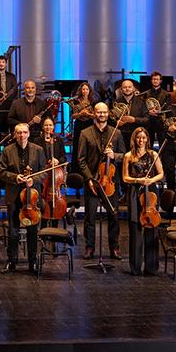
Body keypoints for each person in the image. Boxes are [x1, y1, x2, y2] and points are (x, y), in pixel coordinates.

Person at [77, 101, 126, 261]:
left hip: (111, 182)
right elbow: (81, 160)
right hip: (92, 181)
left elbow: (124, 156)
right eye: (99, 112)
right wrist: (89, 179)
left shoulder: (116, 133)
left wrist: (114, 156)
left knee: (114, 216)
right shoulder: (85, 133)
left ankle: (114, 248)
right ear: (94, 114)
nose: (102, 115)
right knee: (90, 217)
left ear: (108, 113)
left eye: (104, 112)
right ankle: (90, 247)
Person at [0, 123, 46, 273]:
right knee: (13, 231)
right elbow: (1, 171)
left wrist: (34, 180)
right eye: (19, 133)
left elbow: (44, 172)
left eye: (24, 132)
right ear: (14, 134)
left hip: (31, 197)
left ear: (29, 134)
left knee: (32, 231)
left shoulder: (38, 150)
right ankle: (12, 261)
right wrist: (14, 177)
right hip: (14, 195)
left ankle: (33, 262)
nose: (22, 135)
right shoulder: (7, 150)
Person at [122, 126, 163, 276]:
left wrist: (151, 180)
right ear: (134, 139)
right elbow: (125, 178)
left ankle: (151, 267)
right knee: (135, 228)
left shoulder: (153, 154)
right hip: (134, 191)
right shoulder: (128, 156)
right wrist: (138, 180)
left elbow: (161, 173)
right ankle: (135, 266)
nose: (141, 140)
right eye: (138, 137)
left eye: (144, 138)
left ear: (147, 139)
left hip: (150, 192)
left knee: (152, 227)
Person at [113, 80, 149, 149]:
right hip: (121, 135)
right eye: (125, 87)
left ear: (133, 89)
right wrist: (116, 122)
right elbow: (110, 119)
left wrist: (134, 119)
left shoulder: (141, 102)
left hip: (136, 135)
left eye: (129, 87)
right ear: (121, 90)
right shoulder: (116, 102)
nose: (127, 89)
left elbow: (147, 120)